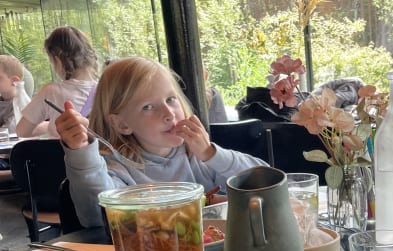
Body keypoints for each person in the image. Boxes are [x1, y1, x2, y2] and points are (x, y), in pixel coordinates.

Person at [55, 56, 268, 227]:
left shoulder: (197, 156)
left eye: (170, 99)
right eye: (148, 107)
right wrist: (82, 153)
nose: (168, 113)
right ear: (121, 124)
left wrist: (211, 153)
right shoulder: (118, 170)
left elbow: (265, 183)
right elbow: (96, 217)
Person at [16, 26, 99, 138]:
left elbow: (22, 131)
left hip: (67, 155)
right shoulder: (106, 90)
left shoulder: (51, 91)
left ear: (58, 61)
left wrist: (50, 125)